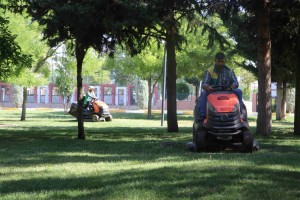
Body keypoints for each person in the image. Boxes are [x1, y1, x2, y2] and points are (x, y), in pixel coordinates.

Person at [198, 52, 244, 121]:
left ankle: (240, 114)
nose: (220, 63)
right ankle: (203, 115)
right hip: (213, 91)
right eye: (218, 62)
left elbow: (235, 82)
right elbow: (204, 84)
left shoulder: (229, 71)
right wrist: (208, 87)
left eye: (222, 62)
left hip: (227, 91)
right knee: (203, 93)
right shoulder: (210, 71)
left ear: (224, 61)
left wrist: (232, 86)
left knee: (239, 91)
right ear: (215, 61)